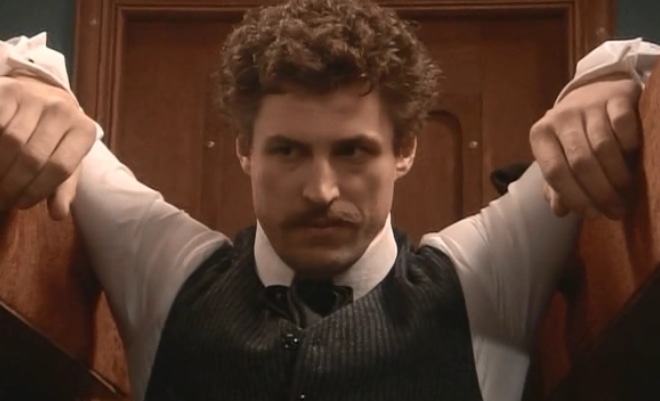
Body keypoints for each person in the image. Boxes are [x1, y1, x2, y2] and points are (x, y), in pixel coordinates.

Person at [1, 0, 659, 400]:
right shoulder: (170, 271)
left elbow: (633, 66)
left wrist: (607, 78)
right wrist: (31, 82)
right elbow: (36, 82)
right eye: (288, 151)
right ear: (245, 150)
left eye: (353, 151)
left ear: (404, 149)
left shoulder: (481, 277)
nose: (321, 190)